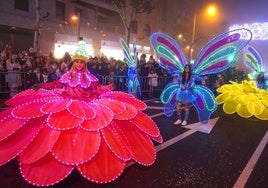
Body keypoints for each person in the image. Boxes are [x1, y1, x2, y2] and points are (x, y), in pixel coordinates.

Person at [0, 39, 162, 186]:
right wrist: (41, 86)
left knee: (92, 132)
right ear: (73, 62)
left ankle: (83, 159)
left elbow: (97, 89)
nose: (78, 64)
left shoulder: (89, 76)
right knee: (57, 128)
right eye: (76, 61)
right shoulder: (68, 74)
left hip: (87, 105)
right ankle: (67, 158)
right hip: (67, 102)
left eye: (80, 62)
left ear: (84, 63)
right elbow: (57, 83)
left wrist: (107, 88)